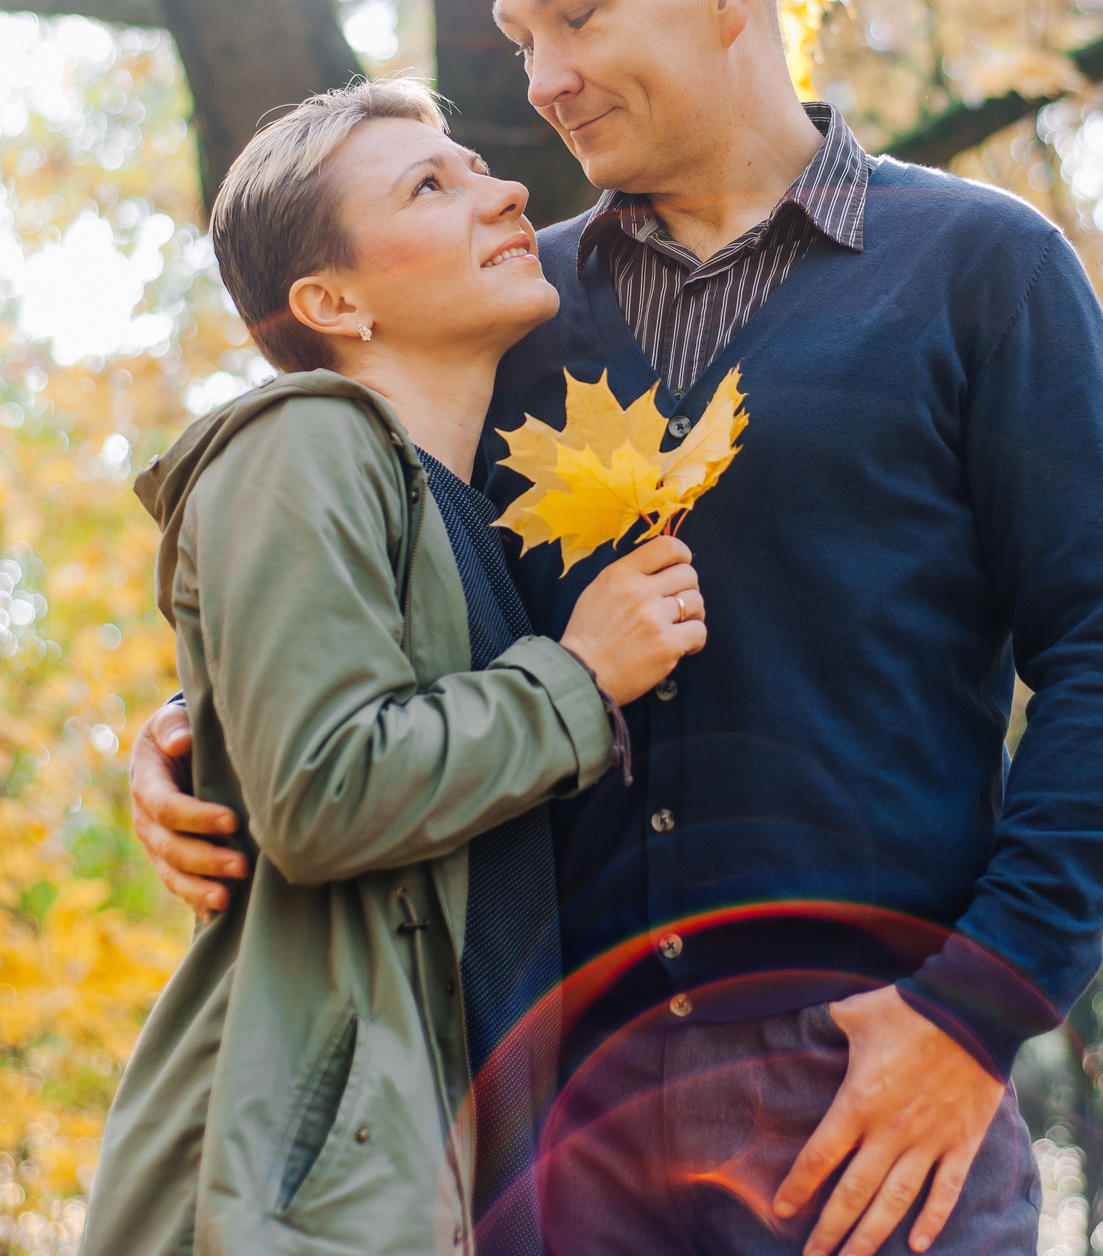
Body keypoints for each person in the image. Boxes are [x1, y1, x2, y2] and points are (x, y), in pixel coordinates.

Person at [130, 0, 1103, 1256]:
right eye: (521, 39)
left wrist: (975, 1008)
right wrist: (199, 729)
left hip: (870, 1104)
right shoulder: (504, 313)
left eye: (575, 16)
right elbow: (367, 590)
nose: (541, 79)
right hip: (555, 1131)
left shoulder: (980, 268)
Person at [81, 76, 708, 1256]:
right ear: (332, 300)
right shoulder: (303, 439)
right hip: (292, 1202)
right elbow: (320, 789)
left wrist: (187, 719)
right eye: (429, 186)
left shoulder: (470, 515)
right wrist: (580, 678)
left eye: (476, 168)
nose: (505, 191)